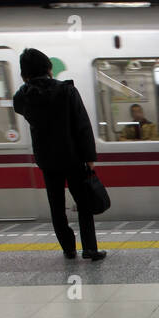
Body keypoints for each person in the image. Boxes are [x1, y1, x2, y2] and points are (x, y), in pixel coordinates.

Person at [13, 49, 106, 261]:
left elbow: (19, 108)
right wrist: (90, 157)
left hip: (47, 160)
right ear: (49, 68)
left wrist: (27, 85)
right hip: (73, 157)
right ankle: (90, 248)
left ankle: (68, 248)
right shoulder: (67, 91)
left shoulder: (23, 96)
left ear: (24, 74)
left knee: (56, 206)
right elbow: (82, 125)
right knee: (84, 203)